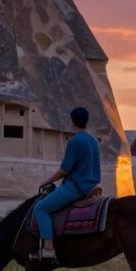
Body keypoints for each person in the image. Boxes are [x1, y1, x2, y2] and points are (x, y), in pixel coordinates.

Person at [30, 107, 102, 263]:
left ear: (72, 121)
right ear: (86, 121)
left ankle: (48, 249)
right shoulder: (93, 141)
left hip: (75, 188)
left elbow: (64, 170)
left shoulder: (74, 141)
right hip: (91, 186)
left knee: (40, 208)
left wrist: (46, 181)